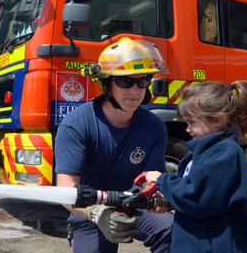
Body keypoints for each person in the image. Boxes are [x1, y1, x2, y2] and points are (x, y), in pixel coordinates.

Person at [55, 37, 173, 253]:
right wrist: (97, 213)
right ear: (106, 83)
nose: (135, 90)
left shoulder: (155, 126)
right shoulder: (76, 125)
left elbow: (152, 178)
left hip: (136, 204)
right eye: (125, 81)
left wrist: (159, 198)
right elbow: (65, 189)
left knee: (171, 230)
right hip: (90, 211)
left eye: (142, 81)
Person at [145, 80, 247, 253]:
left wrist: (162, 180)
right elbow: (200, 195)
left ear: (218, 120)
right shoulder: (204, 152)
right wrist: (171, 201)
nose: (187, 129)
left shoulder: (225, 154)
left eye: (192, 122)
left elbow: (198, 196)